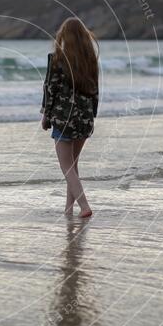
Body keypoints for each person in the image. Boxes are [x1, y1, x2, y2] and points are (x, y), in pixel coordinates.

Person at [40, 17, 100, 218]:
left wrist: (45, 116)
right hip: (84, 119)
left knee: (67, 167)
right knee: (73, 165)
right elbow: (96, 91)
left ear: (63, 36)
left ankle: (84, 206)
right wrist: (92, 116)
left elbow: (50, 89)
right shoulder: (90, 60)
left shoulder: (57, 58)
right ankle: (69, 208)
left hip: (63, 118)